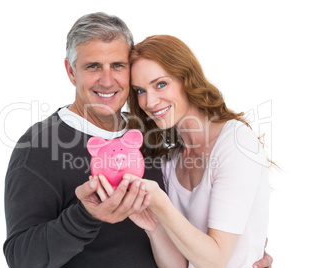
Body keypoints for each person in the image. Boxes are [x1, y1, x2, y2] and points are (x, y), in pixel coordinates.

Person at [3, 12, 272, 268]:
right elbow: (21, 258)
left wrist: (246, 250)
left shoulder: (150, 136)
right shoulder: (39, 146)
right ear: (71, 71)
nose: (107, 81)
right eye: (93, 66)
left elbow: (196, 235)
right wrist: (84, 217)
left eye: (118, 66)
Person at [96, 35, 271, 267]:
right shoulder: (172, 159)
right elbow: (178, 265)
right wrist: (154, 227)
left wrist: (160, 203)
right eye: (140, 91)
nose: (149, 102)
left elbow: (216, 261)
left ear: (186, 78)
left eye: (160, 84)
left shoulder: (236, 143)